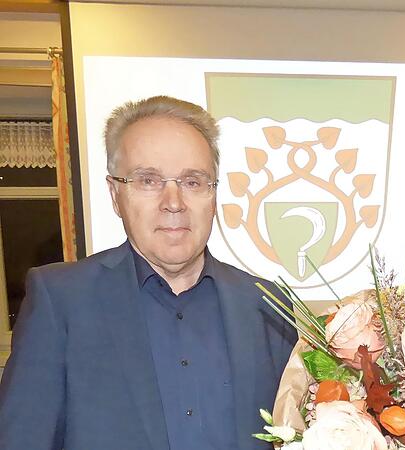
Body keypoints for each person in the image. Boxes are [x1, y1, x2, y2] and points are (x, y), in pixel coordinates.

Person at [0, 96, 297, 450]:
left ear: (214, 194)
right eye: (148, 180)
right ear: (115, 194)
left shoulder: (269, 305)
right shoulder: (61, 301)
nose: (173, 202)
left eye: (192, 181)